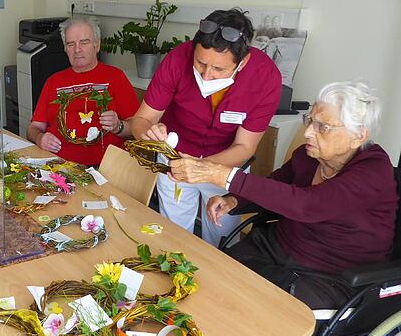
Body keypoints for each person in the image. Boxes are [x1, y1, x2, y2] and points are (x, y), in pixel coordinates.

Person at [169, 81, 397, 309]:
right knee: (211, 279)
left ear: (358, 136)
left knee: (247, 309)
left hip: (329, 276)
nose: (308, 133)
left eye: (322, 127)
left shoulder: (373, 171)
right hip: (277, 248)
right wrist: (233, 199)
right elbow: (278, 181)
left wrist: (222, 175)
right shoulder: (309, 155)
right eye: (309, 121)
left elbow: (308, 205)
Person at [128, 8, 282, 246]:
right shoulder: (177, 59)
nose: (207, 76)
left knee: (221, 241)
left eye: (219, 69)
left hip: (224, 165)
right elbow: (141, 120)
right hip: (174, 162)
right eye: (200, 63)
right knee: (173, 239)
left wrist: (202, 168)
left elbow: (244, 147)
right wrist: (148, 133)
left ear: (243, 62)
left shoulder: (265, 77)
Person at [27, 16, 139, 166]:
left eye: (84, 42)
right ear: (65, 49)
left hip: (105, 169)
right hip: (59, 166)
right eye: (70, 44)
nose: (77, 49)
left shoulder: (115, 77)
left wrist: (118, 126)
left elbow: (136, 128)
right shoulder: (53, 81)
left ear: (97, 45)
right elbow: (34, 128)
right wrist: (39, 138)